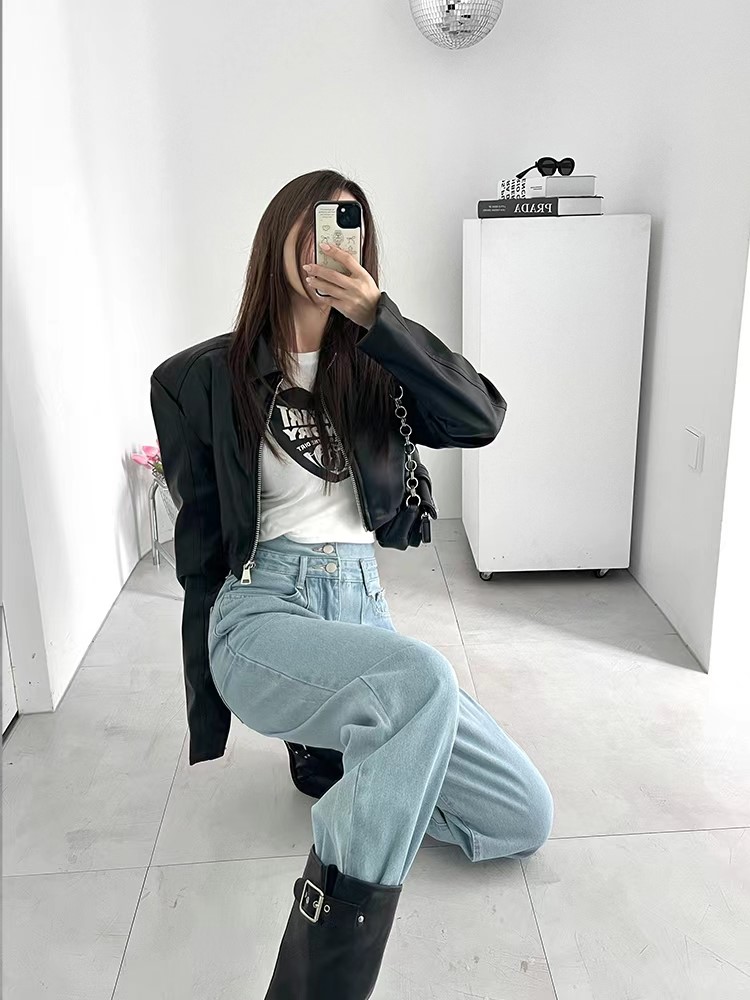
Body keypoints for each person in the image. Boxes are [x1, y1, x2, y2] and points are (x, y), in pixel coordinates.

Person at [150, 169, 554, 1000]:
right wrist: (206, 694)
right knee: (422, 679)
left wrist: (379, 320)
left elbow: (480, 417)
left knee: (523, 814)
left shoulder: (376, 366)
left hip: (361, 608)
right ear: (277, 237)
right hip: (264, 607)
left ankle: (346, 753)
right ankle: (318, 982)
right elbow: (202, 546)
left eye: (347, 227)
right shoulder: (196, 379)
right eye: (311, 226)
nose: (326, 244)